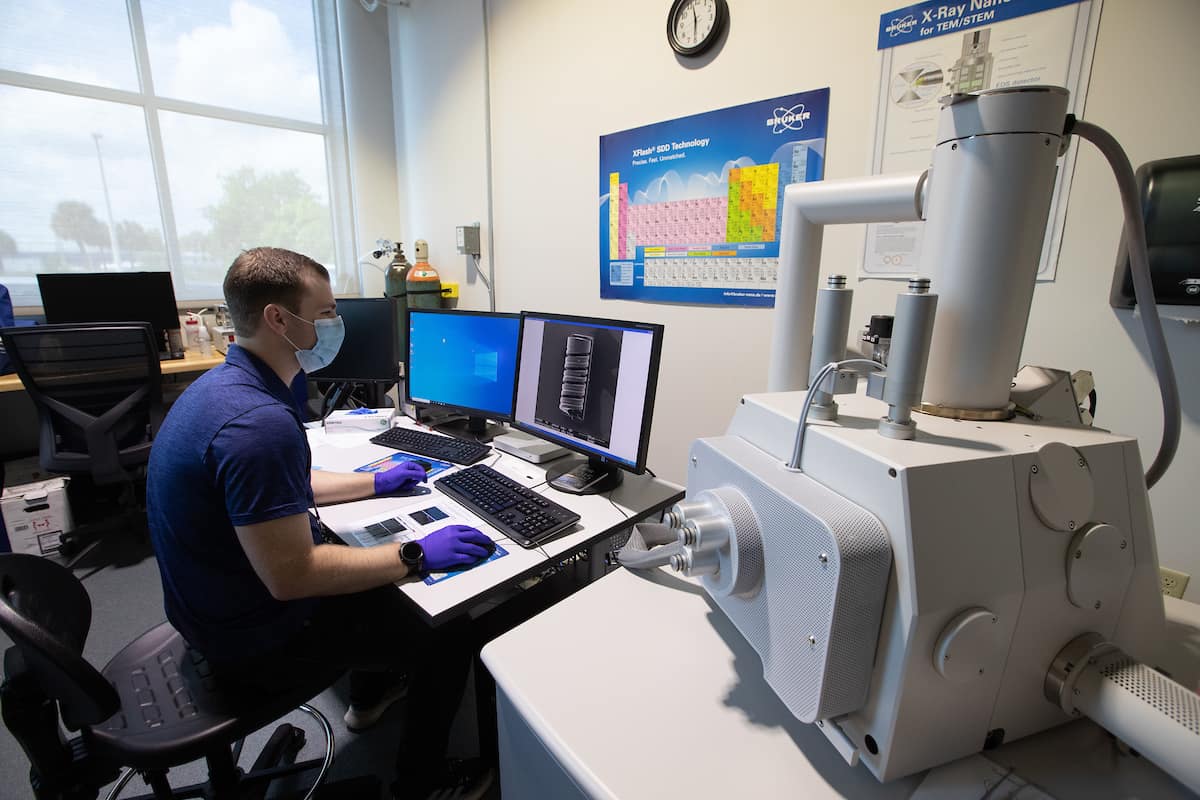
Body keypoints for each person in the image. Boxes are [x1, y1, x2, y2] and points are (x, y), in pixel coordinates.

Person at [146, 247, 495, 799]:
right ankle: (420, 786)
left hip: (205, 607)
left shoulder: (224, 390)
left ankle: (369, 696)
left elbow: (278, 495)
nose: (336, 324)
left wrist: (374, 483)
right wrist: (416, 554)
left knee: (373, 570)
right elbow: (293, 576)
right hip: (250, 638)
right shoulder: (258, 424)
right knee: (446, 631)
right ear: (278, 319)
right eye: (327, 312)